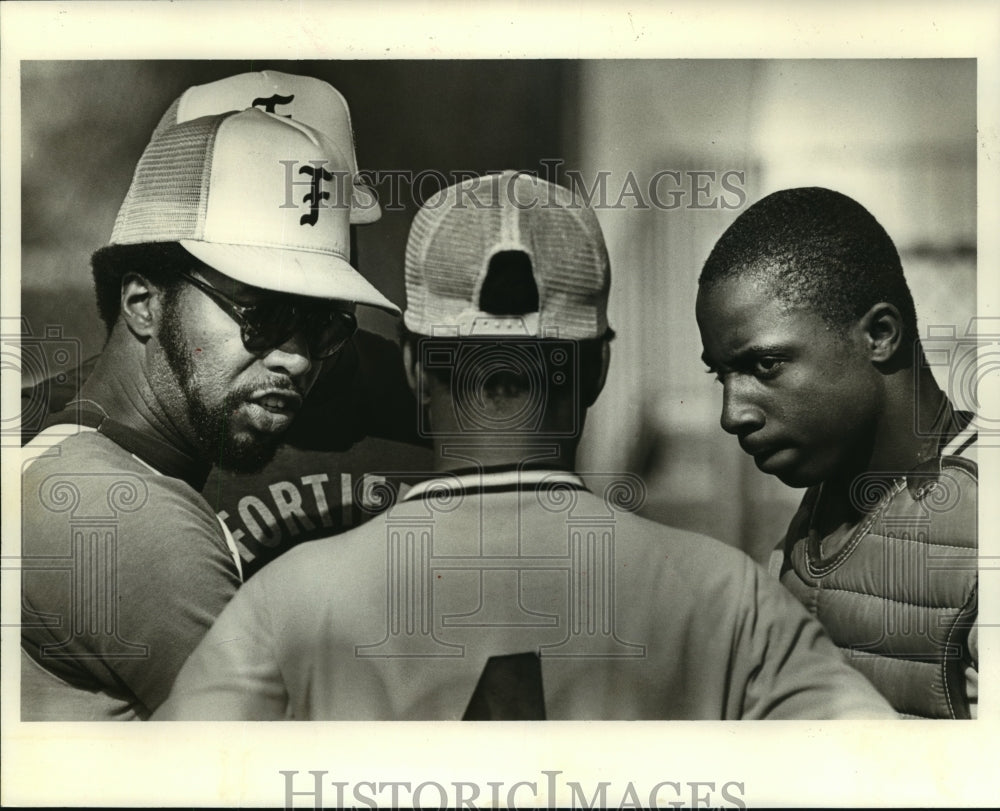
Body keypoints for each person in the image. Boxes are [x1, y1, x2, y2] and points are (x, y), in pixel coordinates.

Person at [155, 171, 895, 721]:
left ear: (415, 363)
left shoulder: (287, 603)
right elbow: (893, 781)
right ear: (599, 366)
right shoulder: (730, 600)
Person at [20, 80, 402, 720]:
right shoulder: (130, 518)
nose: (298, 357)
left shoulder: (69, 455)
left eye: (322, 326)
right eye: (263, 315)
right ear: (144, 302)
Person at [695, 187, 977, 718]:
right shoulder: (815, 515)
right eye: (720, 374)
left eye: (765, 365)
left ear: (879, 334)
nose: (732, 414)